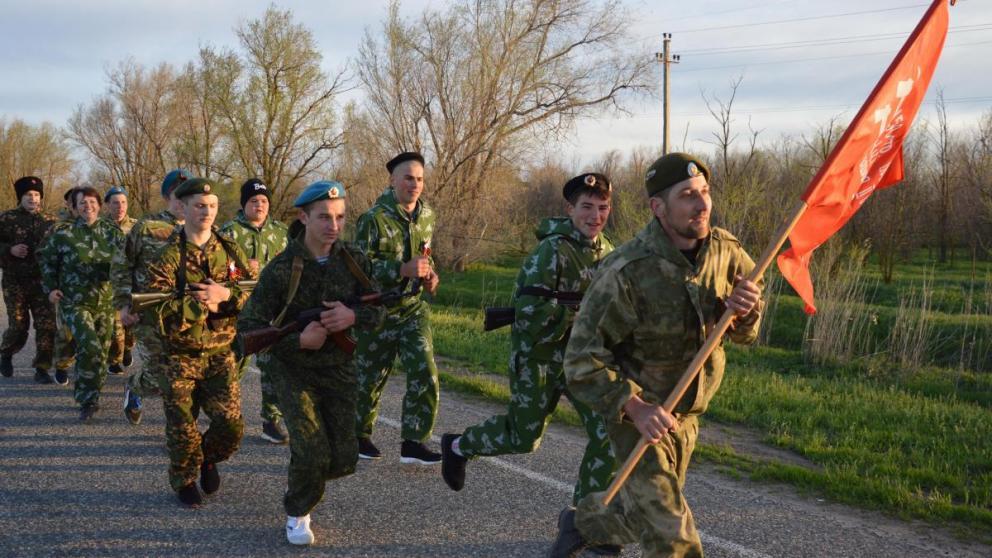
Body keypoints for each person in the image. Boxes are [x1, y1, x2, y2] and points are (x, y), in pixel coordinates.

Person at [549, 153, 763, 558]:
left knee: (644, 513)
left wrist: (747, 312)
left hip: (685, 417)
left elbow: (746, 333)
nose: (701, 205)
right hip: (638, 420)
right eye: (687, 196)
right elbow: (579, 359)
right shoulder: (626, 270)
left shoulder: (727, 253)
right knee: (672, 538)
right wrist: (635, 407)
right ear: (658, 207)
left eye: (704, 192)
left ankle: (582, 523)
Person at [440, 174, 619, 542]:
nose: (595, 216)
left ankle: (586, 525)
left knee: (609, 433)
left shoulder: (611, 252)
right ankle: (459, 446)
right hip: (538, 357)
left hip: (582, 362)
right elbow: (529, 312)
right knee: (525, 437)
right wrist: (578, 316)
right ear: (570, 209)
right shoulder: (551, 251)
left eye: (602, 208)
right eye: (587, 207)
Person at [237, 180, 385, 546]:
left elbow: (379, 308)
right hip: (293, 372)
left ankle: (305, 475)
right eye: (323, 217)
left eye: (339, 217)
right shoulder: (282, 269)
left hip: (339, 368)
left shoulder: (353, 260)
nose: (333, 226)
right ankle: (298, 510)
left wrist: (353, 317)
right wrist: (297, 340)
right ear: (303, 217)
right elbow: (249, 330)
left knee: (346, 456)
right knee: (312, 448)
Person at [144, 177, 252, 507]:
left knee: (231, 427)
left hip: (220, 351)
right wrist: (198, 304)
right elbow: (153, 309)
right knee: (181, 425)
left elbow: (248, 292)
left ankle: (207, 457)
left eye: (212, 206)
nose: (207, 211)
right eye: (199, 206)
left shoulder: (230, 250)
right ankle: (184, 478)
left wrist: (226, 296)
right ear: (184, 208)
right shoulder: (165, 257)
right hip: (178, 354)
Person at [353, 152, 442, 464]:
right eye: (408, 178)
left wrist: (430, 275)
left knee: (425, 370)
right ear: (392, 181)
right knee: (369, 378)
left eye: (419, 179)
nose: (414, 184)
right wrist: (400, 269)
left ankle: (414, 442)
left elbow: (426, 255)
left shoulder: (427, 216)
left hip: (413, 308)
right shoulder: (373, 219)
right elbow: (358, 268)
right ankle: (358, 435)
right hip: (377, 310)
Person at [38, 187, 125, 421]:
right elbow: (47, 261)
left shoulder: (112, 232)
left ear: (100, 205)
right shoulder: (63, 234)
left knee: (103, 350)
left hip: (106, 302)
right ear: (74, 208)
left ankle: (93, 391)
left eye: (92, 202)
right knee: (90, 346)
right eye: (82, 203)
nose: (88, 207)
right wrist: (51, 288)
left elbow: (126, 263)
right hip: (75, 302)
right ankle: (88, 400)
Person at [112, 169, 189, 425]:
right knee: (159, 375)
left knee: (183, 374)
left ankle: (179, 431)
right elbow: (122, 265)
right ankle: (135, 386)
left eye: (189, 196)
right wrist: (124, 303)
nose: (184, 202)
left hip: (188, 315)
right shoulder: (147, 227)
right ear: (168, 197)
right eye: (178, 197)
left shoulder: (204, 228)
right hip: (150, 313)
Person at [219, 178, 290, 444]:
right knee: (231, 363)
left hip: (271, 310)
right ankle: (223, 409)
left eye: (263, 201)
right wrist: (241, 270)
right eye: (253, 201)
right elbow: (218, 269)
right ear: (244, 204)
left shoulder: (281, 232)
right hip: (237, 310)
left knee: (271, 363)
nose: (259, 206)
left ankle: (270, 419)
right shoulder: (229, 231)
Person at [0, 176, 56, 383]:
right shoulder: (7, 219)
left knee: (47, 326)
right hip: (15, 282)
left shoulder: (51, 221)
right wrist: (10, 250)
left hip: (43, 283)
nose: (33, 198)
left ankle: (41, 368)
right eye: (28, 195)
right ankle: (6, 353)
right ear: (20, 197)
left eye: (36, 195)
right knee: (18, 326)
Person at [104, 185, 137, 375]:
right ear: (108, 205)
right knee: (115, 326)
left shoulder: (136, 226)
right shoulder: (100, 227)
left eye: (123, 202)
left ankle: (128, 347)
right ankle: (114, 359)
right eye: (115, 203)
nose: (120, 206)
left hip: (133, 283)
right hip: (110, 285)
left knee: (131, 325)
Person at [51, 188, 80, 383]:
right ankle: (62, 365)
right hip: (66, 290)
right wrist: (52, 286)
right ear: (69, 205)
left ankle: (86, 369)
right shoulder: (58, 229)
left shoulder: (98, 226)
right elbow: (47, 259)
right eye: (74, 202)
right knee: (66, 333)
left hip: (93, 291)